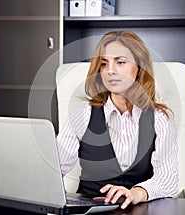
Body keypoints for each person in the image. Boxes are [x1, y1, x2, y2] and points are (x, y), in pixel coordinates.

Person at [57, 30, 178, 209]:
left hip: (138, 209)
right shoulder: (83, 113)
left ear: (140, 68)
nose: (110, 71)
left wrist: (138, 192)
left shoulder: (159, 118)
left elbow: (169, 179)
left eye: (120, 62)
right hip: (89, 210)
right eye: (104, 64)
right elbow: (55, 167)